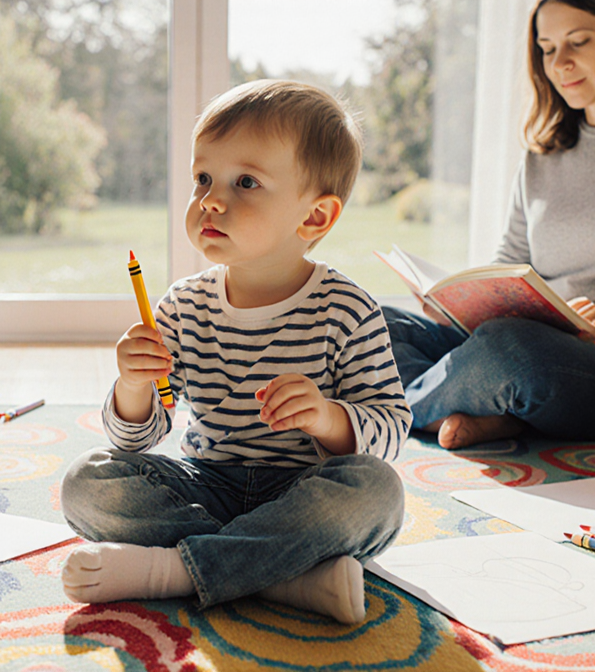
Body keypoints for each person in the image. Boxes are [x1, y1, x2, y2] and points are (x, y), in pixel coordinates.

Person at [58, 80, 412, 624]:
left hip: (304, 489)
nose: (211, 200)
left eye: (245, 182)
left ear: (314, 217)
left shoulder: (347, 308)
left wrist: (327, 416)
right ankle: (286, 576)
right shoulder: (182, 305)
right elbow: (137, 438)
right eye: (203, 178)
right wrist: (131, 387)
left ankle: (170, 572)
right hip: (207, 484)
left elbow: (389, 427)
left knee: (376, 491)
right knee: (88, 481)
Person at [382, 0, 595, 449]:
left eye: (578, 42)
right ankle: (490, 412)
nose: (560, 63)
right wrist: (458, 304)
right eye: (547, 49)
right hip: (522, 343)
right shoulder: (544, 150)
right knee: (375, 325)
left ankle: (388, 415)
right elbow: (509, 261)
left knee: (508, 352)